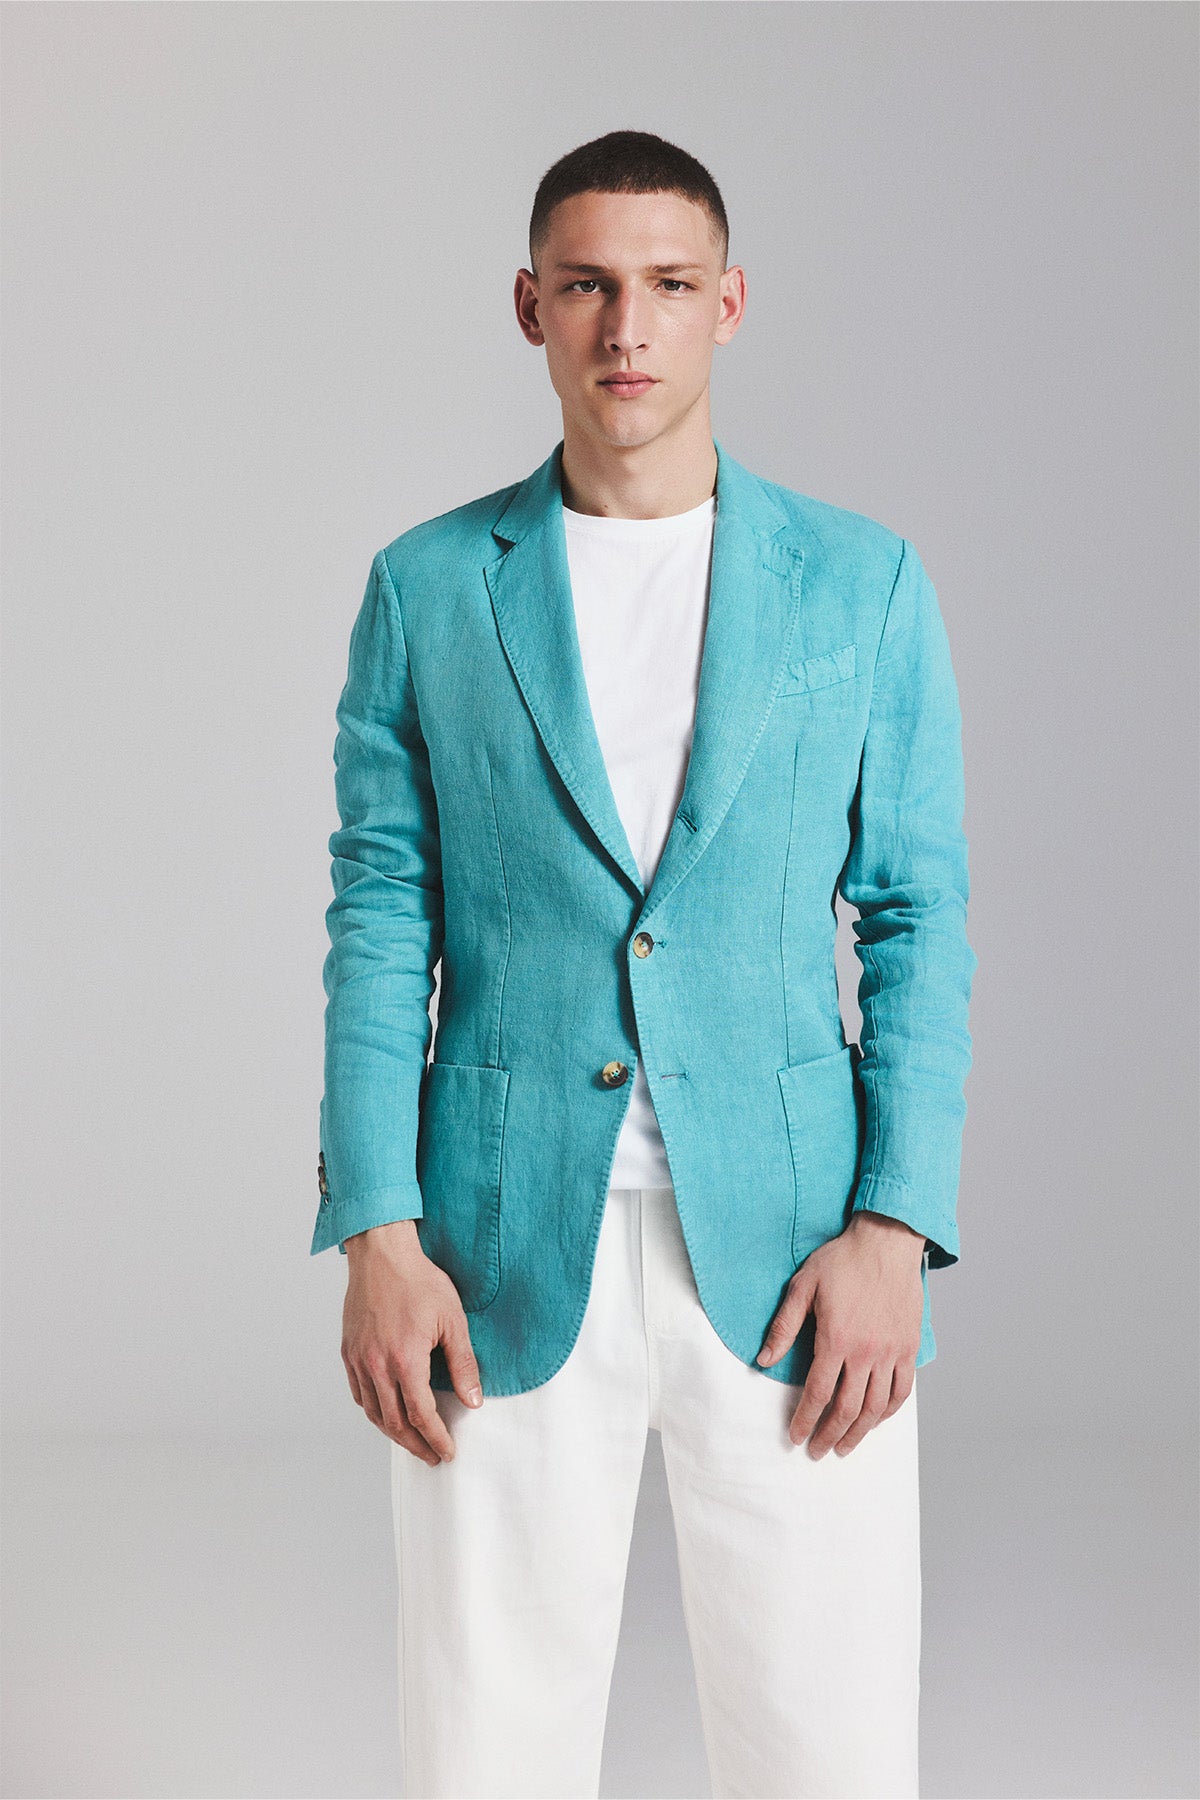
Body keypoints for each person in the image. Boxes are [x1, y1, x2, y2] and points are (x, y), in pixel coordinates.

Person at [311, 128, 976, 1800]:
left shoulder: (862, 584)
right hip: (495, 1243)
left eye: (670, 285)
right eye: (590, 286)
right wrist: (376, 1231)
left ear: (728, 304)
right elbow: (382, 918)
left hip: (798, 1250)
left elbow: (916, 918)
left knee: (828, 1752)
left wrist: (897, 1225)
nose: (629, 326)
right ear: (527, 304)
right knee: (483, 1754)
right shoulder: (428, 588)